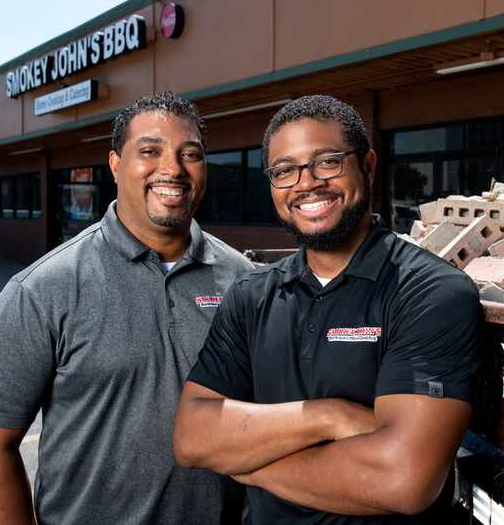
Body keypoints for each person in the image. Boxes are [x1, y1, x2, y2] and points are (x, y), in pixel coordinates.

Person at [174, 95, 481, 523]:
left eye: (328, 162)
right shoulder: (251, 296)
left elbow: (403, 479)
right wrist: (328, 416)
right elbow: (192, 436)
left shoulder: (429, 292)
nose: (306, 183)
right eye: (284, 171)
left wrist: (243, 462)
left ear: (368, 165)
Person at [0, 91, 254, 524]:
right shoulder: (43, 289)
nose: (172, 168)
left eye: (189, 153)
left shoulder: (243, 280)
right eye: (149, 151)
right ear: (115, 164)